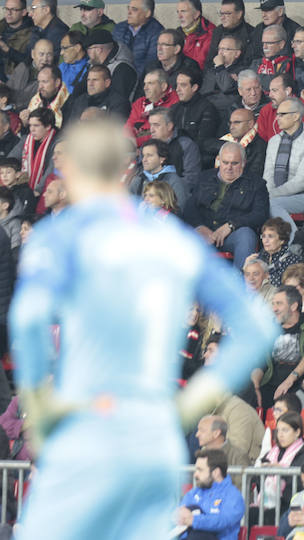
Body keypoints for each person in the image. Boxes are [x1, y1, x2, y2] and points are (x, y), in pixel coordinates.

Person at [12, 117, 278, 538]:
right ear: (128, 169)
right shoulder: (170, 241)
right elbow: (259, 327)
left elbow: (26, 326)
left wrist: (40, 409)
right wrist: (192, 403)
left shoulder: (57, 239)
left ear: (70, 171)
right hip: (150, 435)